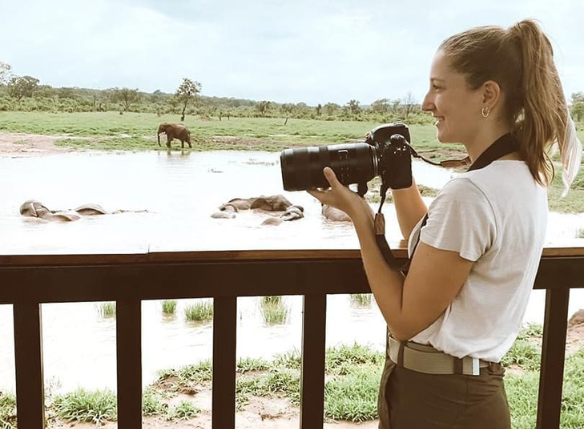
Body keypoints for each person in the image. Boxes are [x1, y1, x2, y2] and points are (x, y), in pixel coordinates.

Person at [308, 19, 581, 429]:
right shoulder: (524, 176)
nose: (425, 102)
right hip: (466, 394)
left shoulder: (472, 193)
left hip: (441, 402)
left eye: (439, 87)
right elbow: (435, 245)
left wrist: (362, 219)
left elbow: (404, 318)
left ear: (487, 95)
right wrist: (401, 180)